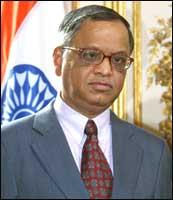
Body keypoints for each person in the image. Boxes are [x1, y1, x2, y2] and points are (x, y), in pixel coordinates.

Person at [1, 5, 172, 199]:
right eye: (91, 55)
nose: (106, 70)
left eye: (118, 60)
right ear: (59, 60)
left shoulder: (154, 152)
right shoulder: (8, 145)